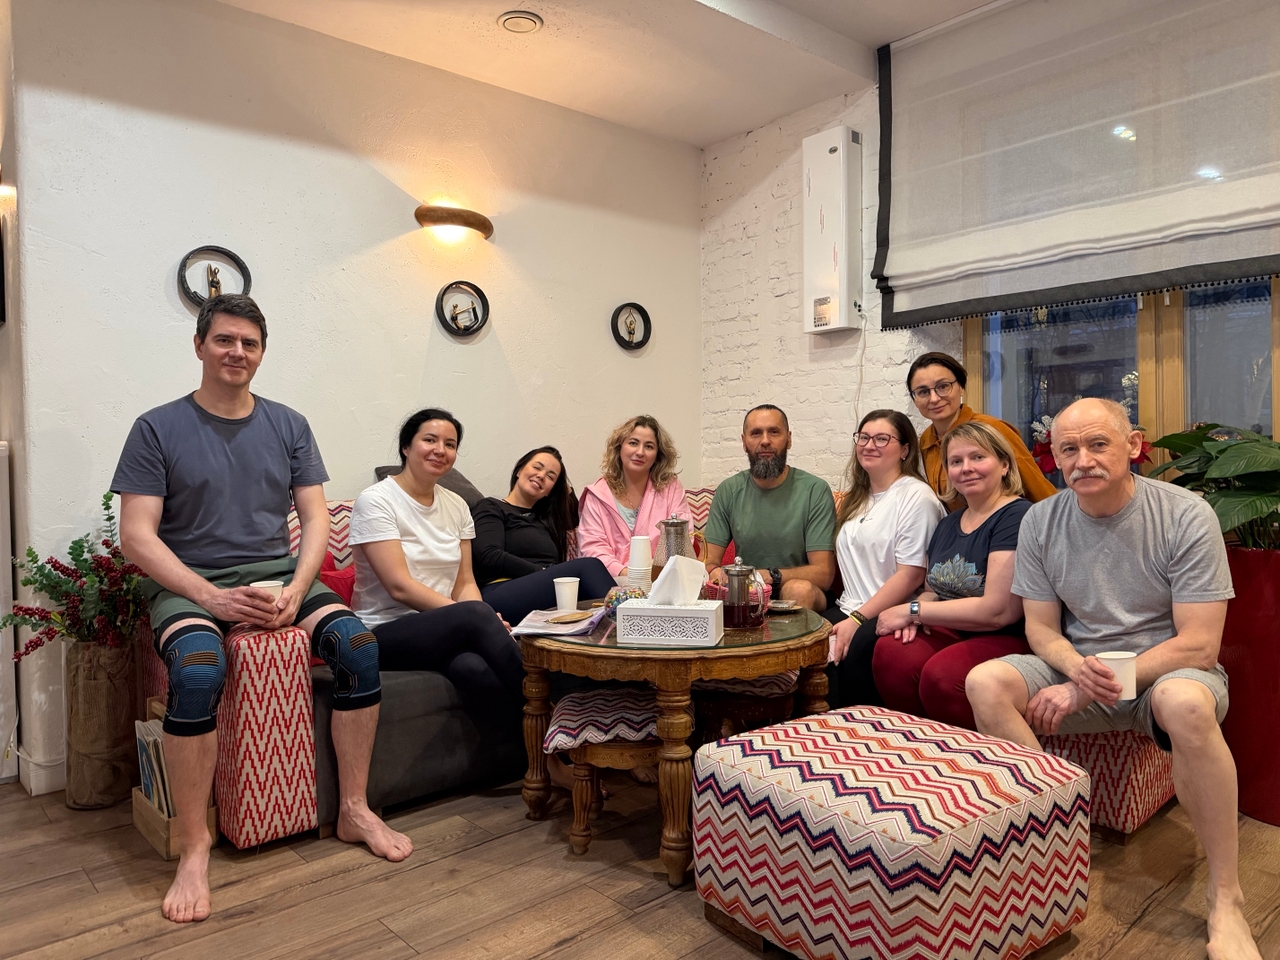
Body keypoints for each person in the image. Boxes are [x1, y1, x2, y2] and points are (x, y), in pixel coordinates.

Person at [112, 294, 411, 925]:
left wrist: (297, 591)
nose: (237, 352)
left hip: (277, 576)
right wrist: (210, 596)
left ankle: (354, 809)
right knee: (197, 669)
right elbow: (136, 536)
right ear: (199, 345)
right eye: (224, 340)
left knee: (358, 648)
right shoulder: (156, 427)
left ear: (262, 353)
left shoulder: (289, 424)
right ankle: (195, 845)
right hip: (189, 584)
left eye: (249, 343)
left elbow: (315, 518)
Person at [965, 398, 1260, 960]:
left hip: (1166, 671)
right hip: (1082, 664)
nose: (1083, 460)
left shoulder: (1185, 513)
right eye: (1069, 449)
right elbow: (1040, 628)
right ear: (1055, 459)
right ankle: (1052, 847)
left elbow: (1199, 643)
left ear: (1133, 445)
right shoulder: (1041, 521)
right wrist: (1075, 668)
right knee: (985, 682)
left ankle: (1227, 899)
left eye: (1098, 444)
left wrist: (1088, 686)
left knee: (1187, 705)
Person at [349, 409, 525, 730]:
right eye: (430, 440)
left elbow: (465, 582)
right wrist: (473, 617)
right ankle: (558, 712)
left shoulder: (457, 505)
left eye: (450, 444)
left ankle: (537, 749)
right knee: (478, 616)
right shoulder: (376, 501)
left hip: (443, 628)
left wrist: (476, 619)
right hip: (381, 631)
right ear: (406, 447)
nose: (440, 450)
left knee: (474, 670)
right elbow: (399, 586)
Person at [871, 421, 1032, 727]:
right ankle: (917, 742)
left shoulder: (1017, 516)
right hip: (953, 628)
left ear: (1005, 465)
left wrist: (913, 611)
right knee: (892, 652)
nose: (966, 468)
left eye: (978, 457)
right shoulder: (948, 523)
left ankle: (968, 751)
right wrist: (916, 615)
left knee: (943, 675)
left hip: (1005, 635)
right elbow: (932, 589)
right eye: (956, 461)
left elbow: (998, 611)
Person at [825, 410, 944, 708]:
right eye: (863, 437)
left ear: (904, 450)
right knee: (806, 645)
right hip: (849, 605)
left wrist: (857, 619)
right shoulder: (857, 498)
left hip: (891, 611)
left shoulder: (916, 497)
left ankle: (856, 731)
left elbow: (911, 575)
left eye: (881, 439)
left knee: (847, 656)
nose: (869, 445)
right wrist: (850, 615)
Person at [703, 404, 836, 612]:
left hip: (801, 593)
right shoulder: (728, 490)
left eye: (774, 432)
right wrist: (715, 572)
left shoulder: (814, 490)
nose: (765, 440)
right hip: (746, 595)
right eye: (756, 433)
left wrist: (770, 576)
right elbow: (708, 561)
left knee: (798, 589)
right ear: (744, 442)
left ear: (789, 439)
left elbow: (824, 574)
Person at [471, 446, 616, 625]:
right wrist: (541, 572)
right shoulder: (491, 506)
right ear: (519, 470)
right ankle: (631, 619)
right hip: (500, 591)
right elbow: (488, 554)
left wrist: (562, 487)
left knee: (591, 603)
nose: (541, 476)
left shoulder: (544, 521)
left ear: (550, 491)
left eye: (550, 477)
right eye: (537, 467)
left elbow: (574, 516)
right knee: (589, 566)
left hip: (541, 590)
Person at [908, 351, 1057, 508]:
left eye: (943, 386)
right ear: (914, 399)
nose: (934, 398)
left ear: (961, 387)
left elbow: (1039, 490)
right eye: (923, 392)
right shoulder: (925, 441)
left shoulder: (992, 429)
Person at [578, 415, 692, 581]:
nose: (640, 452)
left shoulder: (671, 488)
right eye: (633, 443)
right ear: (619, 447)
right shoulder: (596, 494)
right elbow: (592, 548)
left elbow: (682, 541)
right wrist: (628, 574)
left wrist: (654, 576)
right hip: (609, 582)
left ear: (658, 454)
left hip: (662, 581)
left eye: (649, 446)